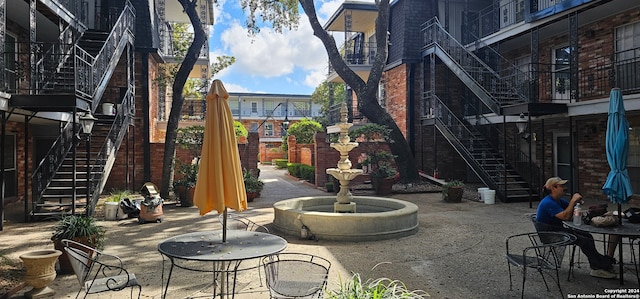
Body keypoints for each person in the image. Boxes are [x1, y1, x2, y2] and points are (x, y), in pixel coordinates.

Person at [536, 177, 617, 279]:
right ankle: (598, 267)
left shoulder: (558, 200)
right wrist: (573, 200)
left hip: (557, 230)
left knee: (587, 236)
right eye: (562, 186)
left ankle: (599, 263)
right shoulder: (548, 202)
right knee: (584, 241)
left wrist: (587, 209)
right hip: (550, 235)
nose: (564, 188)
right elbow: (565, 216)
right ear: (553, 188)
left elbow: (573, 210)